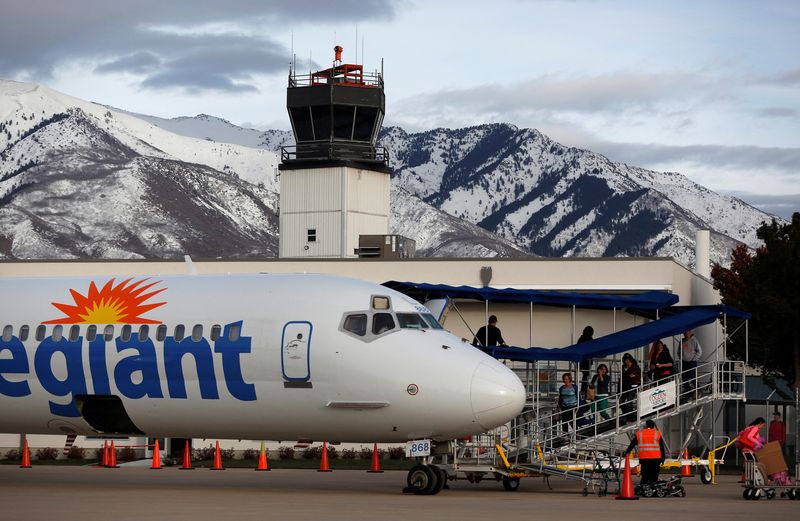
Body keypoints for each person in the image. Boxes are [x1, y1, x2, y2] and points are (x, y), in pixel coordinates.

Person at [624, 419, 667, 485]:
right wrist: (663, 458)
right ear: (653, 426)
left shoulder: (639, 434)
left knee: (645, 475)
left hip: (644, 458)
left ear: (645, 426)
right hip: (655, 458)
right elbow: (661, 447)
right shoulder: (657, 434)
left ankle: (644, 487)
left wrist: (627, 452)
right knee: (654, 476)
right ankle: (653, 488)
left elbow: (632, 444)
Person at [620, 353, 641, 423]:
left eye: (628, 360)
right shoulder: (623, 367)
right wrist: (629, 375)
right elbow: (623, 377)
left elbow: (639, 375)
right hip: (626, 386)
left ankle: (631, 417)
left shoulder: (635, 366)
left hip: (633, 385)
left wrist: (632, 376)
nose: (627, 362)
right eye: (626, 360)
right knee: (621, 401)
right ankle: (626, 415)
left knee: (629, 401)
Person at [577, 326, 594, 394]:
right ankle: (584, 390)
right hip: (587, 361)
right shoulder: (589, 339)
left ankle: (584, 389)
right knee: (587, 375)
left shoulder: (581, 339)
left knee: (586, 375)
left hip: (582, 360)